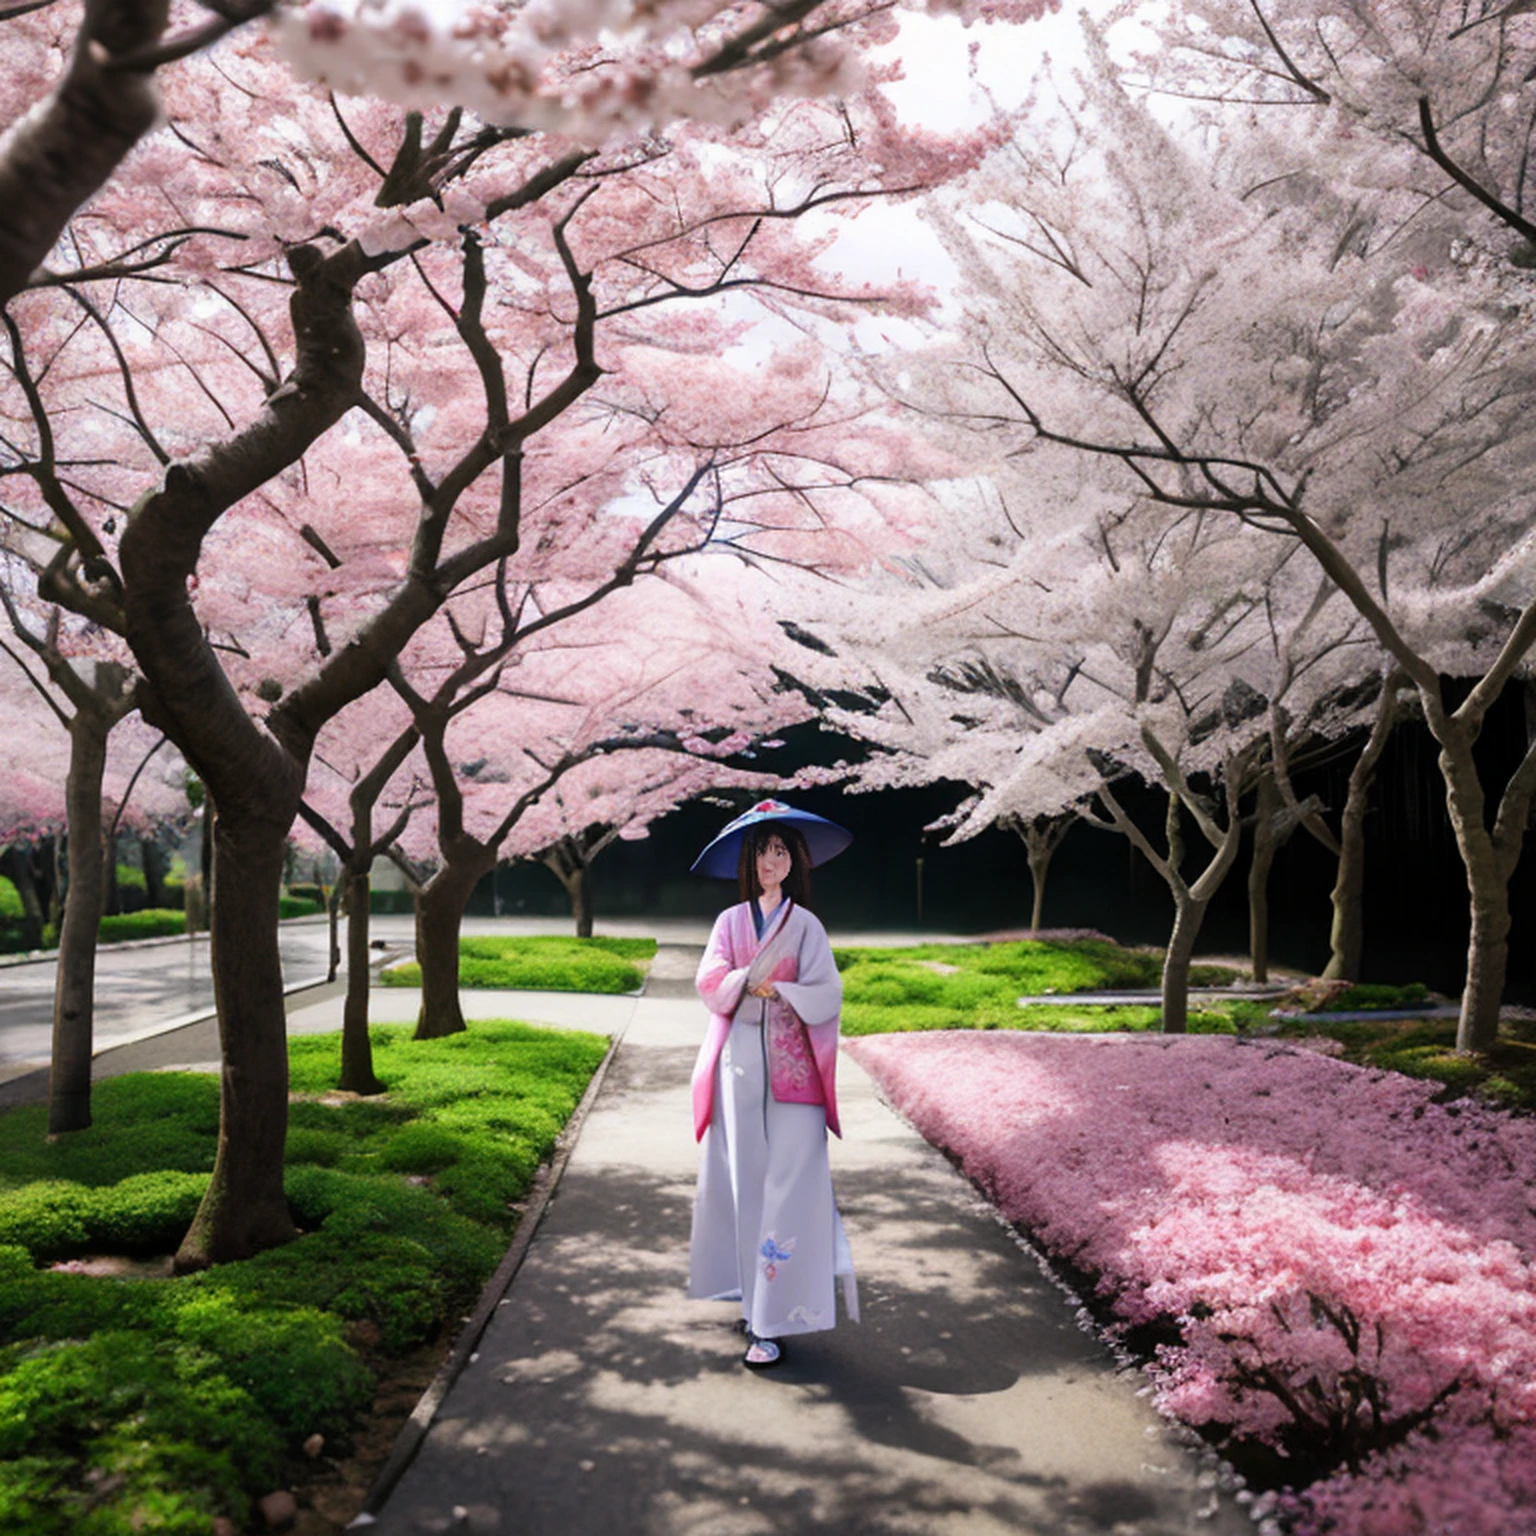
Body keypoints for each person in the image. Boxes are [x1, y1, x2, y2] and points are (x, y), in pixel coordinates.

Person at [687, 803, 859, 1368]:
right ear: (748, 861)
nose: (772, 861)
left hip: (794, 1076)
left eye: (781, 851)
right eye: (762, 851)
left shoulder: (805, 925)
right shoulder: (728, 922)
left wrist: (782, 993)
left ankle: (775, 1319)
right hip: (739, 1067)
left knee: (792, 1189)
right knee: (745, 1186)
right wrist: (744, 981)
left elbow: (827, 993)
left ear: (795, 861)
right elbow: (708, 980)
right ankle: (753, 1303)